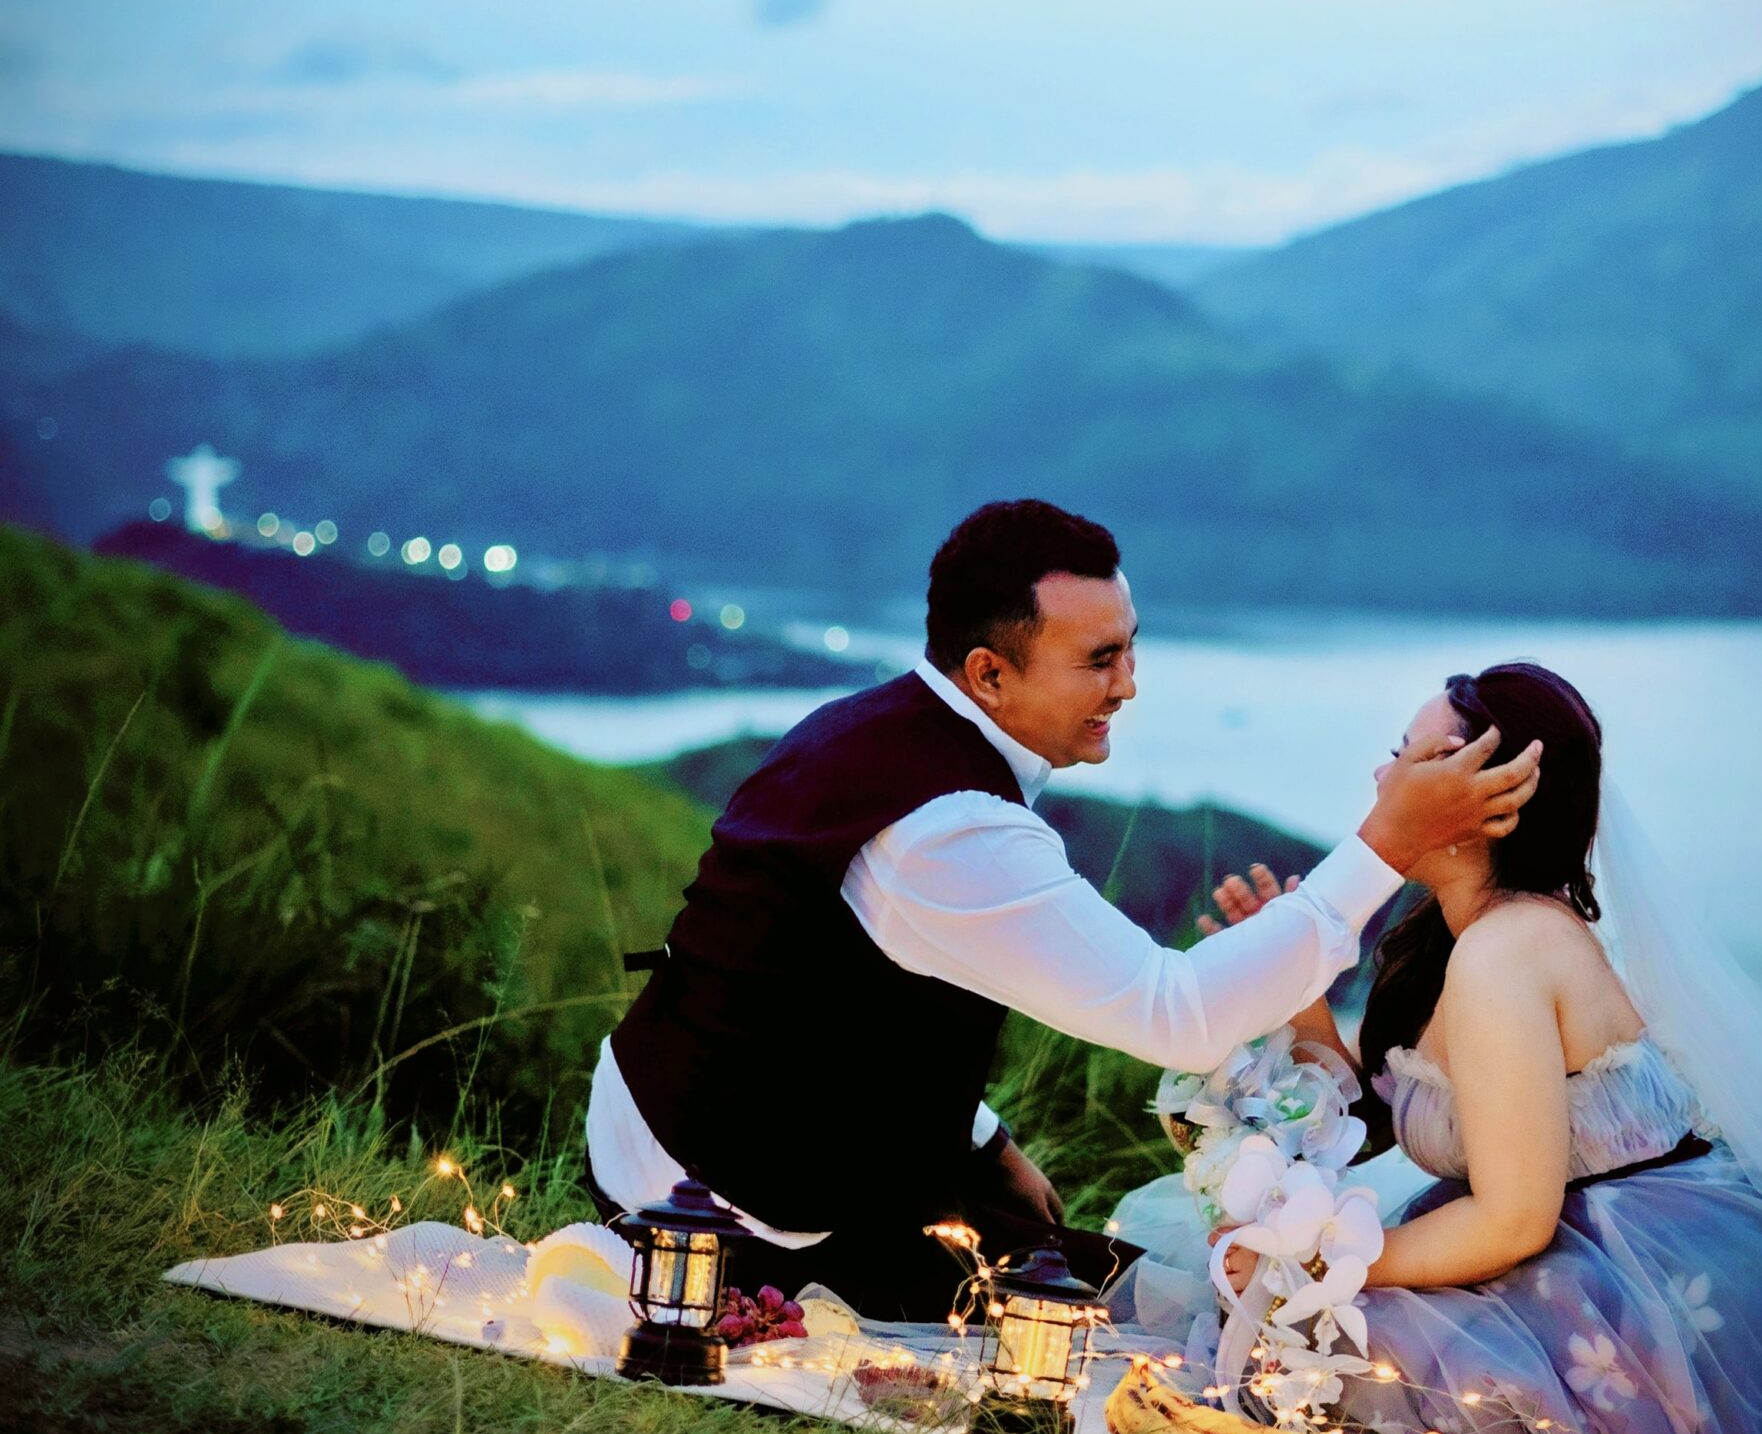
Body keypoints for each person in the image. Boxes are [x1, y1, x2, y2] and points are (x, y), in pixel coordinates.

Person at [585, 500, 1540, 1320]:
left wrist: (981, 1140)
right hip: (719, 1200)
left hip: (714, 1120)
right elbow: (1173, 1013)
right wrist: (1387, 845)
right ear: (989, 673)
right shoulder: (948, 827)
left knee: (1116, 1285)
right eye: (1099, 659)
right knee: (1127, 1321)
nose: (1129, 684)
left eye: (1131, 648)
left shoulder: (885, 733)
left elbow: (830, 994)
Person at [1119, 661, 1762, 1434]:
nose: (1383, 778)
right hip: (1558, 1250)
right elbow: (1391, 1120)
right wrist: (1302, 997)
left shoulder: (1508, 952)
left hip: (1640, 1292)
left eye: (1414, 761)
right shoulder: (1454, 937)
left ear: (1488, 805)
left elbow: (1514, 1220)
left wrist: (1317, 1264)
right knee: (1262, 1318)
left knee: (1290, 1345)